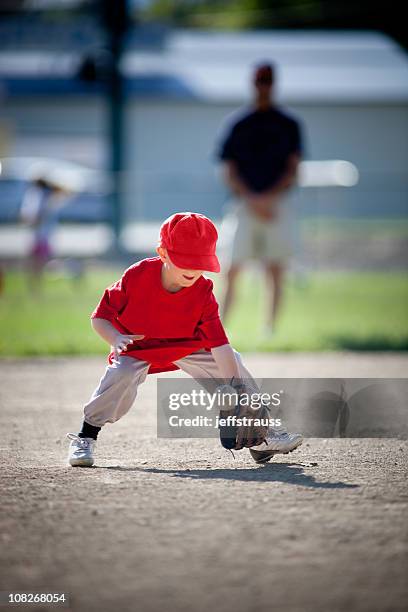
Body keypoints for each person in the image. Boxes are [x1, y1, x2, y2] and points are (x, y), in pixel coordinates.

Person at [66, 212, 303, 467]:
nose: (192, 268)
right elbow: (100, 316)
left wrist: (236, 389)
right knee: (120, 374)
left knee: (233, 365)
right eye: (185, 260)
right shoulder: (137, 276)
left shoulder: (203, 291)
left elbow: (220, 345)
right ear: (163, 253)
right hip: (138, 346)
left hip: (186, 345)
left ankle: (263, 435)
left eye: (200, 262)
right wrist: (115, 337)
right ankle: (85, 437)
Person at [217, 62, 303, 334]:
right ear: (253, 84)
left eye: (267, 81)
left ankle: (270, 328)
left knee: (275, 269)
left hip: (277, 204)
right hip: (245, 203)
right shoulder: (239, 124)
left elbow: (293, 168)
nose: (263, 86)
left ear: (273, 84)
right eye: (259, 81)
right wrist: (252, 199)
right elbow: (228, 170)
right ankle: (218, 330)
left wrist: (270, 198)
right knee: (232, 268)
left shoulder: (288, 124)